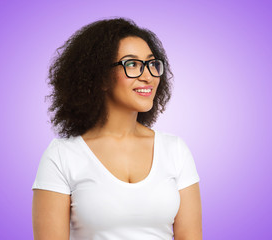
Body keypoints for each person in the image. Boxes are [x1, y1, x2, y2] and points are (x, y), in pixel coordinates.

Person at [31, 17, 202, 240]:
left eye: (152, 64)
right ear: (100, 77)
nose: (147, 76)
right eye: (132, 64)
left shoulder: (175, 150)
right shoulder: (62, 155)